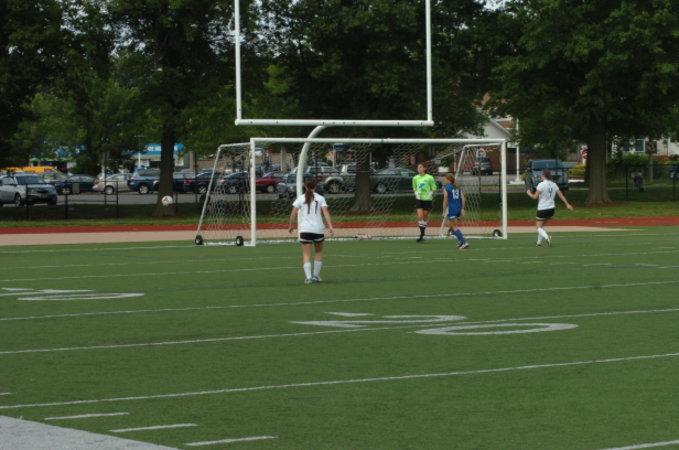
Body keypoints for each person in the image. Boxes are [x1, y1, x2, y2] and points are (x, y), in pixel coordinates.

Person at [289, 177, 334, 284]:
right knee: (319, 252)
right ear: (316, 186)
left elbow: (293, 213)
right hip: (318, 230)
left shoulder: (300, 198)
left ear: (304, 186)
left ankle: (308, 278)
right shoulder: (321, 198)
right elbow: (326, 213)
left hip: (305, 230)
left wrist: (291, 225)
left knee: (306, 254)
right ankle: (316, 276)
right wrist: (330, 226)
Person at [526, 169, 573, 246]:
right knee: (541, 226)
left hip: (542, 208)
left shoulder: (541, 185)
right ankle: (538, 243)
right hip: (551, 208)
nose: (540, 176)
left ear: (544, 176)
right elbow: (561, 195)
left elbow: (534, 197)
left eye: (541, 175)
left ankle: (547, 237)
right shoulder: (554, 184)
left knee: (538, 227)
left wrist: (529, 193)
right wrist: (567, 204)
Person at [441, 173, 469, 249]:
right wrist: (462, 208)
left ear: (448, 180)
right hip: (458, 208)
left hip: (452, 209)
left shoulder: (446, 188)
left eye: (445, 179)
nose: (444, 181)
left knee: (454, 226)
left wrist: (443, 211)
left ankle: (464, 242)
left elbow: (445, 200)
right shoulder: (457, 187)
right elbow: (463, 198)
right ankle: (460, 241)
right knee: (449, 224)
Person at [412, 163, 438, 242]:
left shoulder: (429, 177)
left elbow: (434, 187)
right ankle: (421, 235)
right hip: (419, 199)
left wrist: (431, 193)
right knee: (420, 216)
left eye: (420, 167)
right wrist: (416, 193)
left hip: (427, 199)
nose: (419, 168)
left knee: (424, 217)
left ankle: (422, 234)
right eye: (418, 167)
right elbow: (414, 187)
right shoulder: (415, 178)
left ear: (424, 168)